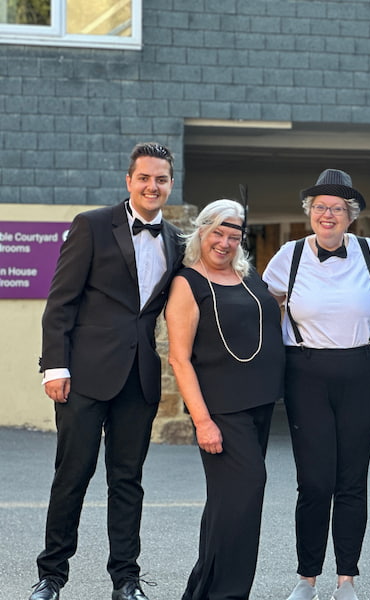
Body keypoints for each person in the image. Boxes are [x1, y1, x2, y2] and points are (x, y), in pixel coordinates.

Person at [32, 142, 183, 600]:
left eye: (161, 179)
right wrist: (54, 367)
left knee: (127, 482)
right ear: (129, 181)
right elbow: (61, 301)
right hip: (83, 375)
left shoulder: (177, 241)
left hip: (139, 378)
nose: (152, 186)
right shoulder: (92, 225)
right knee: (72, 476)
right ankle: (51, 576)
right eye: (145, 178)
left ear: (170, 184)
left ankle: (126, 580)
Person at [262, 169, 370, 600]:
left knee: (352, 480)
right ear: (309, 212)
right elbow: (267, 305)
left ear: (351, 216)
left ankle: (347, 579)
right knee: (315, 481)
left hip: (363, 370)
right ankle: (307, 579)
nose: (328, 215)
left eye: (337, 208)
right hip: (306, 372)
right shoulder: (289, 256)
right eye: (320, 207)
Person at [166, 199, 285, 600]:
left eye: (234, 236)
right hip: (222, 410)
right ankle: (227, 593)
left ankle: (204, 592)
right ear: (201, 231)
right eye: (217, 232)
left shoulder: (248, 276)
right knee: (247, 490)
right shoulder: (187, 283)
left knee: (227, 504)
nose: (225, 242)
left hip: (260, 404)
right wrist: (202, 422)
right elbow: (179, 358)